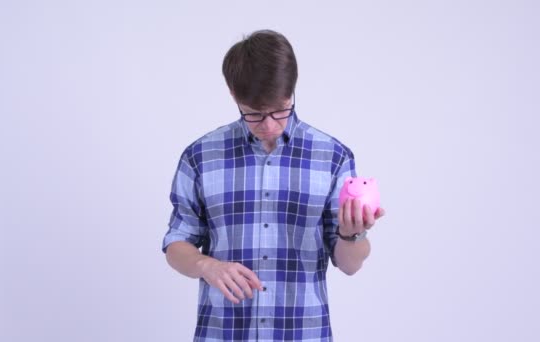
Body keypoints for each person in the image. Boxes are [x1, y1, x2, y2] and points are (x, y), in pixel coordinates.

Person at [162, 29, 385, 342]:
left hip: (303, 333)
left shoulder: (332, 157)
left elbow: (349, 265)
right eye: (254, 114)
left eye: (280, 109)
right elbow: (176, 243)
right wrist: (205, 265)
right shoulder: (200, 156)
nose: (268, 125)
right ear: (233, 94)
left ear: (292, 90)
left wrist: (354, 233)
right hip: (223, 333)